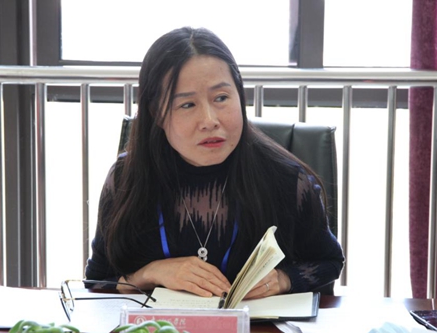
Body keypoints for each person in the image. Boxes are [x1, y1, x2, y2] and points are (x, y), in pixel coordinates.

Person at [85, 26, 344, 300]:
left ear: (240, 96)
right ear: (157, 114)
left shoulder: (287, 180)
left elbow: (328, 262)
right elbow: (97, 280)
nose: (209, 121)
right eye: (187, 105)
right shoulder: (126, 179)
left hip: (258, 327)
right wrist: (150, 273)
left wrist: (283, 279)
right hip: (157, 328)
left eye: (221, 98)